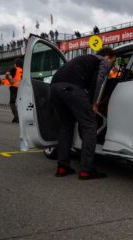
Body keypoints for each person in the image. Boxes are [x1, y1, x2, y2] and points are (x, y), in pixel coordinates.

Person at [50, 47, 116, 180]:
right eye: (113, 62)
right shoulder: (102, 61)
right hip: (72, 88)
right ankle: (87, 170)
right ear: (107, 57)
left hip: (54, 88)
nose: (112, 66)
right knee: (90, 125)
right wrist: (95, 103)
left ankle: (62, 167)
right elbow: (100, 80)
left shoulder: (83, 60)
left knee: (66, 126)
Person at [2, 58, 23, 123]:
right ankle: (17, 117)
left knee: (12, 103)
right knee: (21, 103)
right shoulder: (23, 70)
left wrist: (9, 80)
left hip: (14, 87)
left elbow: (7, 74)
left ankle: (16, 117)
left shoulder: (15, 68)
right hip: (22, 88)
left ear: (16, 64)